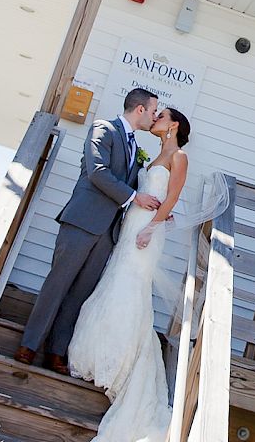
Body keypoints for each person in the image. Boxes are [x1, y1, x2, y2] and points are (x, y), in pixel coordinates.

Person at [13, 88, 162, 375]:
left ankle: (56, 351)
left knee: (81, 293)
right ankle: (29, 344)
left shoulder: (135, 146)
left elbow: (135, 184)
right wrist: (134, 197)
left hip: (108, 232)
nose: (154, 116)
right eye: (153, 111)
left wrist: (159, 208)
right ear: (140, 109)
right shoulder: (103, 129)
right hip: (82, 221)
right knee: (57, 285)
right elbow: (98, 172)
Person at [67, 108, 191, 442]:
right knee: (116, 279)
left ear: (173, 125)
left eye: (161, 115)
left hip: (146, 231)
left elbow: (173, 197)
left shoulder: (178, 157)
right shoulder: (154, 156)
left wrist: (152, 228)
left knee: (131, 285)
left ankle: (121, 363)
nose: (155, 118)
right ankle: (101, 353)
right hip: (130, 227)